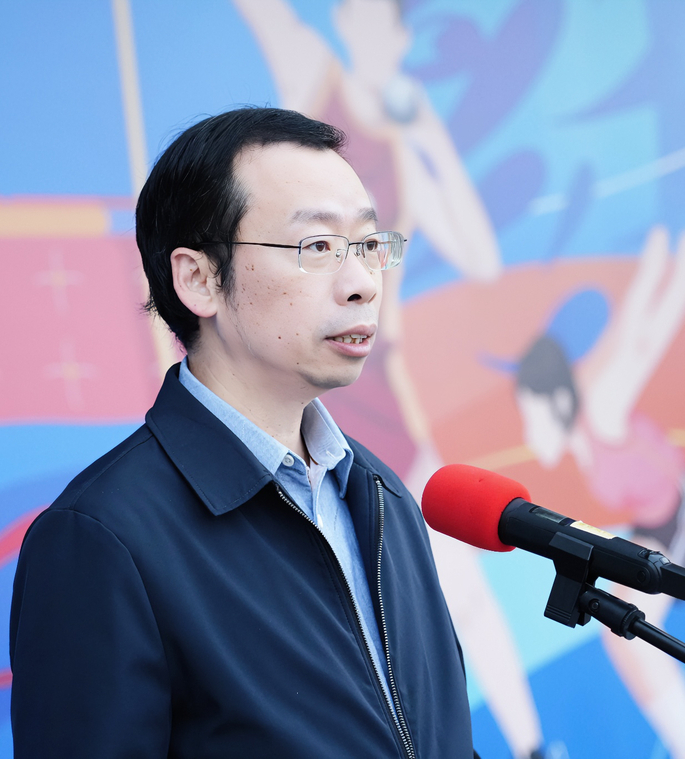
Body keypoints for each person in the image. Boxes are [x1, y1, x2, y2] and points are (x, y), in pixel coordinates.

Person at [9, 107, 474, 758]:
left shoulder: (381, 496)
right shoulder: (102, 537)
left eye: (369, 245)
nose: (362, 284)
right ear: (198, 278)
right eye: (318, 247)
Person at [234, 3, 550, 757]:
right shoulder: (317, 80)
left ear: (405, 37)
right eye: (357, 13)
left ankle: (533, 745)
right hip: (319, 389)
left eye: (382, 18)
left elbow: (480, 256)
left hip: (387, 393)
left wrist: (426, 130)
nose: (364, 25)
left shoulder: (403, 140)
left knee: (461, 596)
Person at [513, 227, 685, 759]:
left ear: (555, 402)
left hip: (676, 510)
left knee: (629, 628)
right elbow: (622, 334)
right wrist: (652, 269)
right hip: (644, 517)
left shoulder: (601, 406)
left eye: (532, 418)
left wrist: (677, 273)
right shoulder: (581, 402)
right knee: (618, 624)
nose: (529, 435)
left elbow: (641, 340)